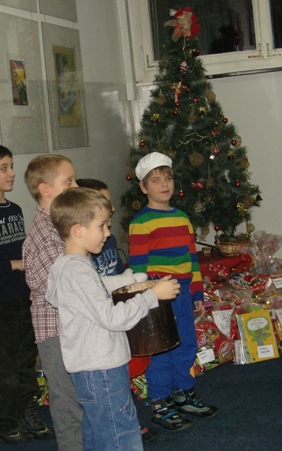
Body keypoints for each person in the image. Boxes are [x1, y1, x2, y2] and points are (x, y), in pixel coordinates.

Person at [46, 187, 181, 451]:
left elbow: (92, 293)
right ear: (78, 230)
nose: (107, 233)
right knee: (122, 437)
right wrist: (152, 296)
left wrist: (129, 281)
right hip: (102, 370)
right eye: (102, 226)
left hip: (92, 370)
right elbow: (112, 318)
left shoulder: (69, 266)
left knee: (99, 435)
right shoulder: (76, 271)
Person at [0, 144, 55, 444]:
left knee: (26, 360)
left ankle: (26, 411)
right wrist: (17, 264)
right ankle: (3, 422)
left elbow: (25, 249)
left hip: (23, 296)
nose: (11, 173)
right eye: (3, 168)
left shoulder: (16, 210)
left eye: (11, 166)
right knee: (5, 366)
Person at [128, 152, 218, 432]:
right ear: (143, 187)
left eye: (167, 178)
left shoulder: (182, 218)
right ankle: (160, 402)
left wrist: (197, 293)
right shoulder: (142, 222)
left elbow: (192, 259)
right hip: (158, 297)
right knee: (161, 350)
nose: (164, 184)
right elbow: (137, 268)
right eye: (155, 180)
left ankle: (183, 393)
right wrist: (146, 298)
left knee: (186, 344)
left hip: (183, 295)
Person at [76, 178, 158, 444]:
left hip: (113, 335)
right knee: (114, 422)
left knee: (114, 396)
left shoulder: (106, 241)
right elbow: (99, 292)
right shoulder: (80, 261)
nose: (110, 209)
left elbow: (118, 276)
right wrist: (150, 295)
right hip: (99, 348)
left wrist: (134, 282)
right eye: (104, 204)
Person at [21, 154, 83, 450]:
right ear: (45, 190)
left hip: (69, 326)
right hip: (56, 330)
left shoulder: (59, 225)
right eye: (69, 181)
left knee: (77, 394)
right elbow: (59, 290)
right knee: (67, 398)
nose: (76, 186)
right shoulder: (46, 234)